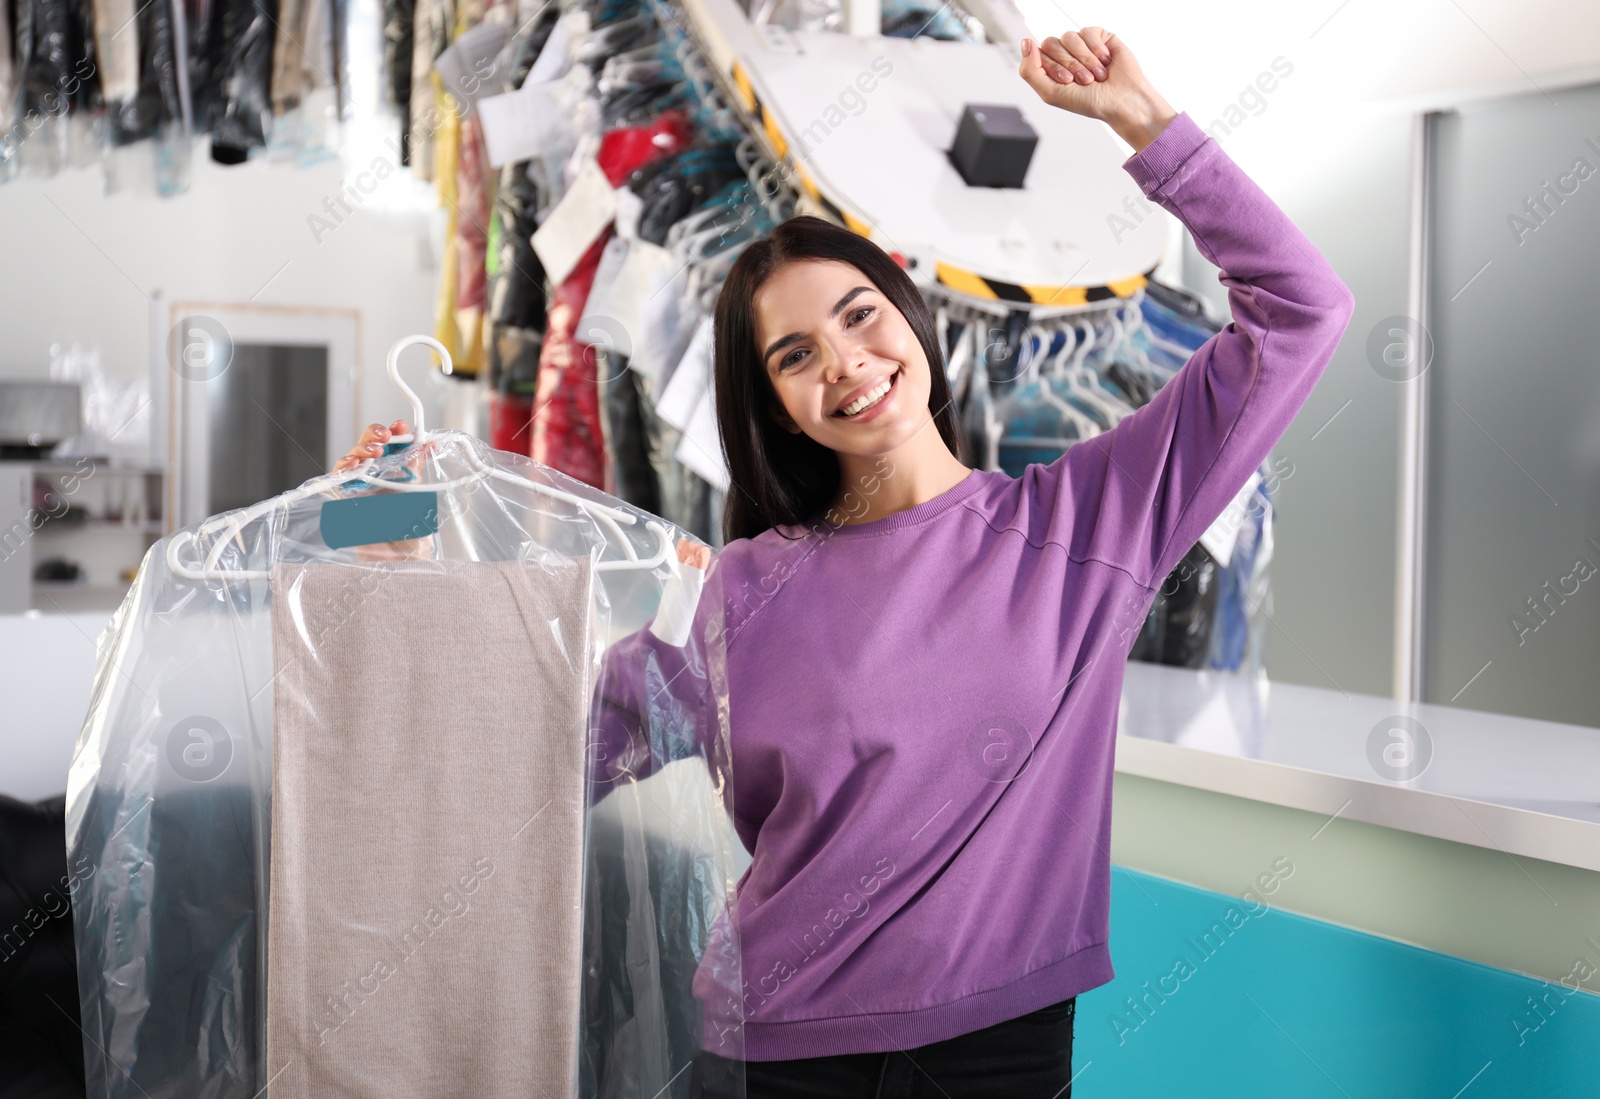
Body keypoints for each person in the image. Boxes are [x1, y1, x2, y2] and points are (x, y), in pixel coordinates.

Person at [333, 26, 1355, 1098]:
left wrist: (1145, 127)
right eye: (795, 356)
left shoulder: (1088, 522)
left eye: (859, 315)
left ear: (911, 317)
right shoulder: (744, 587)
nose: (847, 365)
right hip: (774, 1051)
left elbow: (1302, 313)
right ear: (773, 403)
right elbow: (539, 748)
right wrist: (384, 545)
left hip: (999, 1046)